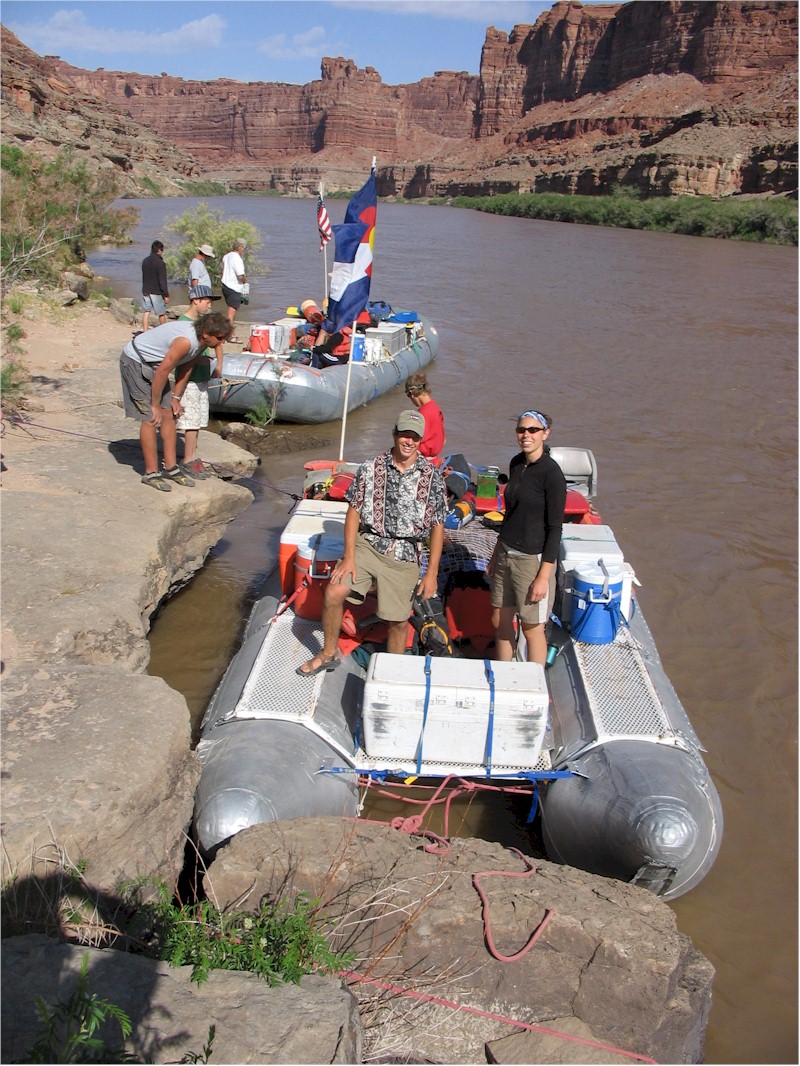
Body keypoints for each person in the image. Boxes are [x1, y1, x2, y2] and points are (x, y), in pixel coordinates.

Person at [297, 409, 449, 676]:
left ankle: (393, 674)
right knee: (334, 591)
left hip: (405, 554)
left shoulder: (432, 477)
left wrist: (432, 572)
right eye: (404, 434)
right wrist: (349, 556)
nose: (409, 441)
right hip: (368, 545)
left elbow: (437, 526)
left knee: (398, 621)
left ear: (420, 440)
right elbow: (354, 511)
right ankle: (328, 653)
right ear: (394, 434)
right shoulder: (371, 468)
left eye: (414, 437)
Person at [119, 311, 232, 491]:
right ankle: (151, 473)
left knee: (169, 414)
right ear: (206, 334)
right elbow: (163, 372)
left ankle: (171, 468)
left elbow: (186, 368)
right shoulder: (185, 342)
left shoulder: (202, 344)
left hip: (155, 365)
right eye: (219, 338)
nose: (222, 342)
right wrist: (154, 405)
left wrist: (176, 398)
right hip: (136, 360)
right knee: (151, 417)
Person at [487, 409, 567, 665]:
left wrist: (544, 577)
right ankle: (503, 678)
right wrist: (495, 552)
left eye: (533, 430)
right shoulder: (516, 464)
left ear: (545, 433)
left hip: (531, 561)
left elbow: (555, 529)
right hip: (505, 554)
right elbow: (511, 513)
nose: (526, 435)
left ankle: (534, 689)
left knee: (532, 628)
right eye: (522, 430)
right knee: (499, 621)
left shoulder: (552, 475)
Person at [175, 286, 225, 479]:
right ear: (195, 300)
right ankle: (187, 460)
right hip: (190, 378)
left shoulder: (205, 322)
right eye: (206, 301)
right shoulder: (184, 323)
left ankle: (192, 457)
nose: (208, 305)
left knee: (199, 419)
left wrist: (218, 365)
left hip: (202, 376)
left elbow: (219, 342)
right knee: (190, 420)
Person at [405, 372, 445, 458]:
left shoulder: (424, 414)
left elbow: (417, 440)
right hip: (435, 457)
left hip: (424, 459)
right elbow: (443, 440)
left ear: (411, 394)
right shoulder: (435, 408)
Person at [220, 238, 248, 341]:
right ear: (240, 247)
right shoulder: (237, 258)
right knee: (231, 313)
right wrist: (245, 280)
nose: (244, 250)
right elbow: (240, 276)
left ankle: (227, 333)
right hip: (234, 287)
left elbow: (222, 271)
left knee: (230, 311)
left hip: (225, 286)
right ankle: (231, 335)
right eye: (244, 248)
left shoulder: (226, 256)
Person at [140, 240, 169, 331]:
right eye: (162, 250)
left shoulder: (145, 261)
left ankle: (145, 331)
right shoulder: (160, 263)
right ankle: (163, 331)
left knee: (146, 312)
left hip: (146, 290)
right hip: (156, 291)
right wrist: (166, 294)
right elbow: (162, 280)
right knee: (161, 313)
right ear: (159, 250)